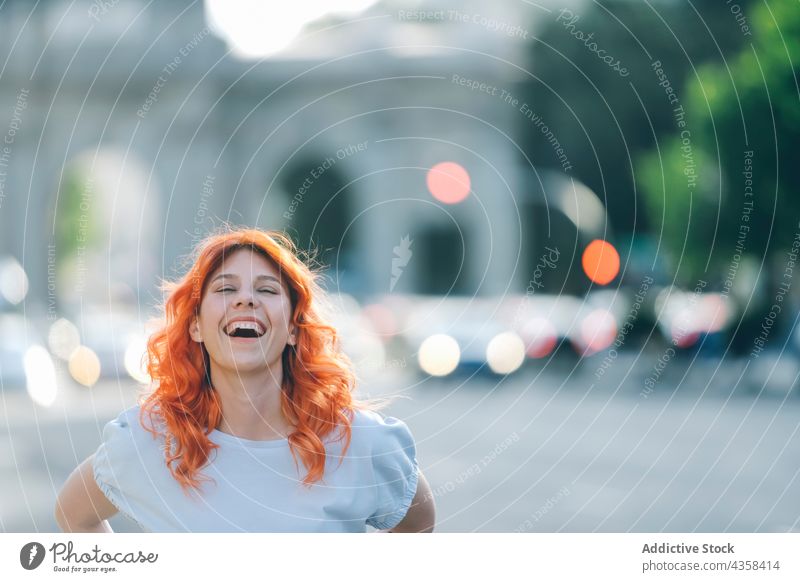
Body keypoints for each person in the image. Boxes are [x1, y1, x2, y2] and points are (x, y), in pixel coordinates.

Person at [55, 227, 435, 532]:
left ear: (292, 329)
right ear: (197, 326)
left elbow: (418, 526)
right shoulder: (146, 441)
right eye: (225, 288)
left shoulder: (363, 444)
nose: (246, 299)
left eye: (267, 290)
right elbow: (74, 515)